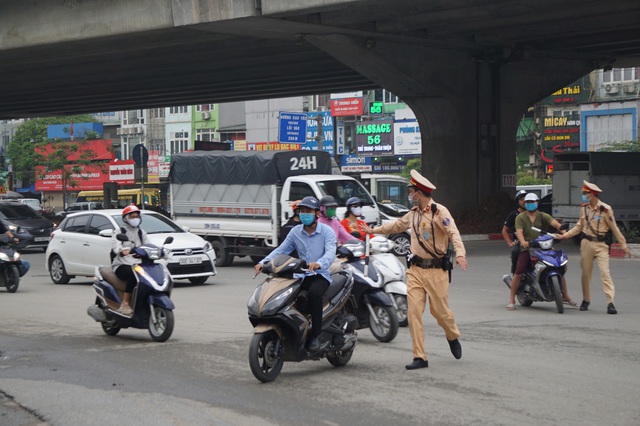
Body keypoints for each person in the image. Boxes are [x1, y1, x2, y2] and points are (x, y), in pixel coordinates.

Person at [371, 170, 467, 370]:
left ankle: (452, 335)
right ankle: (420, 357)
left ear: (419, 193)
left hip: (436, 271)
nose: (409, 195)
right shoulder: (413, 214)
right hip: (415, 270)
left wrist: (460, 253)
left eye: (411, 191)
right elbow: (396, 226)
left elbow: (453, 232)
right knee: (414, 313)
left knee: (440, 313)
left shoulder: (439, 212)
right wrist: (372, 230)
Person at [254, 196, 336, 352]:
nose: (305, 214)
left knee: (313, 294)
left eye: (309, 211)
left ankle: (316, 336)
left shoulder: (327, 231)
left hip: (320, 274)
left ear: (317, 214)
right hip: (301, 275)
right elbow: (281, 250)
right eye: (302, 211)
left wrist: (319, 263)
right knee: (289, 296)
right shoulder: (295, 232)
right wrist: (263, 263)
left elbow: (331, 252)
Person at [554, 180, 630, 314]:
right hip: (586, 243)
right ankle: (586, 299)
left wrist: (623, 244)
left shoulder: (606, 209)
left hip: (601, 245)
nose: (584, 195)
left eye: (586, 193)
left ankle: (610, 302)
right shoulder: (584, 208)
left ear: (593, 194)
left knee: (605, 273)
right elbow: (579, 226)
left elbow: (614, 228)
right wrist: (565, 236)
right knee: (585, 274)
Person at [507, 193, 576, 310]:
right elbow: (519, 232)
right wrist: (523, 241)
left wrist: (565, 234)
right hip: (528, 248)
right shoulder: (520, 217)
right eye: (528, 202)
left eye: (532, 202)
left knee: (557, 267)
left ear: (537, 202)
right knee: (519, 271)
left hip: (543, 246)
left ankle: (565, 296)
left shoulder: (543, 216)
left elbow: (556, 224)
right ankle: (511, 299)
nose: (530, 204)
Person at [111, 204, 151, 316]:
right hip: (122, 264)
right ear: (125, 218)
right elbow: (116, 246)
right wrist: (123, 250)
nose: (135, 218)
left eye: (137, 216)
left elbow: (148, 244)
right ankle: (125, 303)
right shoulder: (119, 232)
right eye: (132, 216)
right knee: (134, 274)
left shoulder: (141, 232)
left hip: (138, 262)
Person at [502, 190, 527, 275]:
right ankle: (515, 273)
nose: (524, 202)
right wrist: (510, 243)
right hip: (519, 243)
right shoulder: (513, 215)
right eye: (521, 199)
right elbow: (504, 230)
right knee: (515, 252)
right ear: (517, 201)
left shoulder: (534, 214)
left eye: (526, 199)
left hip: (533, 241)